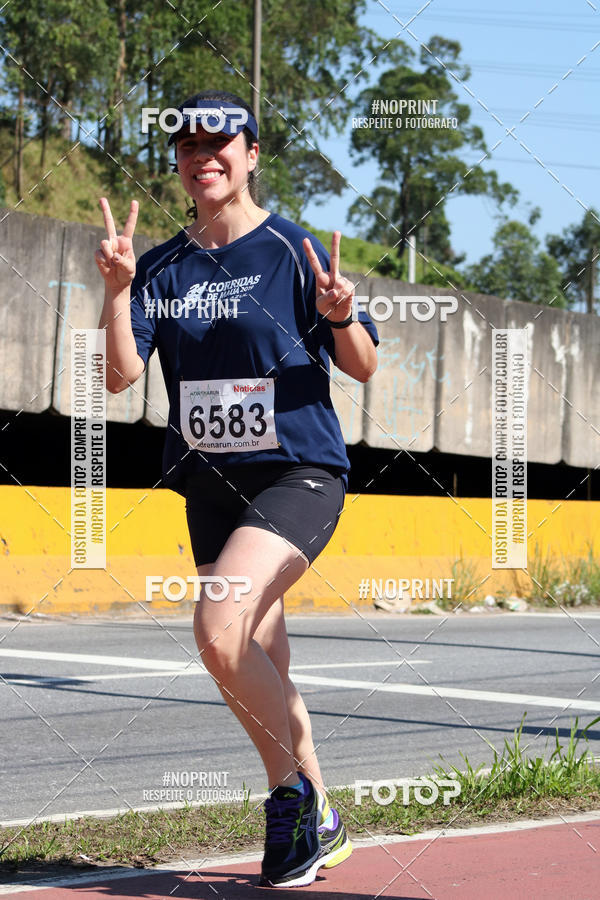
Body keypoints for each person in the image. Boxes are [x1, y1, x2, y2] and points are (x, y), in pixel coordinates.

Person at [96, 89, 378, 888]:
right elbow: (119, 378)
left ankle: (293, 800)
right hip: (211, 488)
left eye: (221, 142)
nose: (203, 155)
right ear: (178, 161)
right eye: (188, 144)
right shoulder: (159, 266)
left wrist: (343, 315)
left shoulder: (293, 250)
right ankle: (317, 808)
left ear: (252, 154)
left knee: (219, 631)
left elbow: (361, 365)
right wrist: (117, 291)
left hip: (298, 474)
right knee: (262, 661)